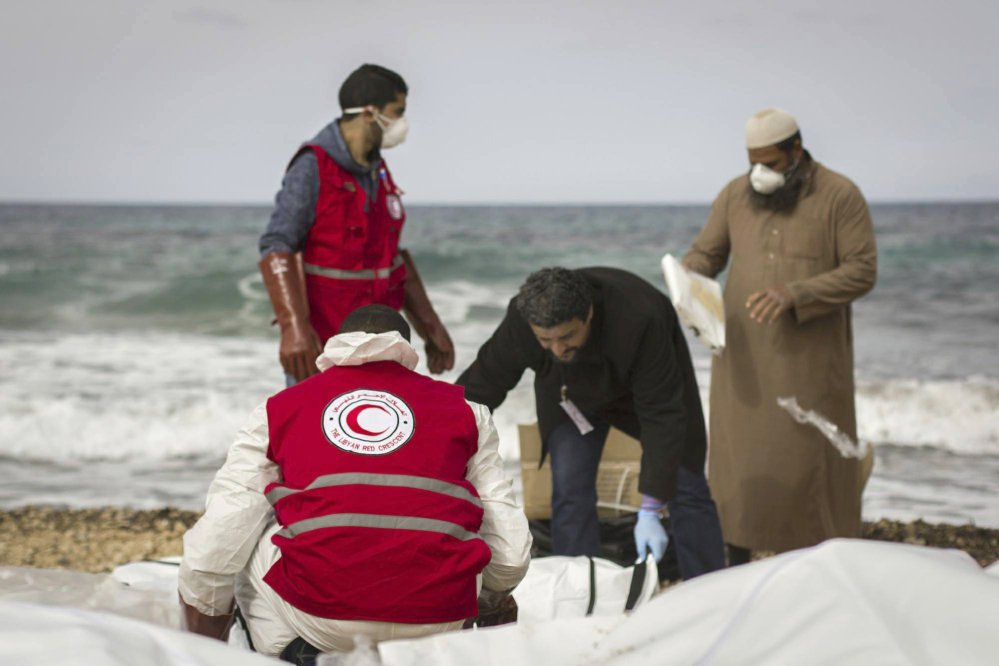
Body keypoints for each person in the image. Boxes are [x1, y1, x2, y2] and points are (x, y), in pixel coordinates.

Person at [178, 305, 531, 660]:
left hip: (323, 617)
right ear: (406, 351)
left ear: (335, 346)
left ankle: (289, 652)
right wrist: (486, 600)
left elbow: (216, 547)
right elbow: (512, 554)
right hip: (439, 617)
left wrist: (200, 631)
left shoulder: (279, 408)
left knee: (250, 531)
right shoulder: (468, 411)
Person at [682, 107, 877, 563]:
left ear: (796, 150)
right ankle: (735, 558)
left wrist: (796, 293)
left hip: (808, 360)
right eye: (753, 162)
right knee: (739, 465)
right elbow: (707, 253)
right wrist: (688, 272)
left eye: (770, 163)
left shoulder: (839, 195)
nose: (760, 173)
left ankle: (820, 565)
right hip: (742, 361)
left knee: (808, 464)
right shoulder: (735, 194)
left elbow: (862, 271)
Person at [457, 267, 725, 580]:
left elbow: (662, 414)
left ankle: (710, 583)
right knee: (570, 492)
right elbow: (485, 381)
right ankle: (579, 588)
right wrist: (438, 429)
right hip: (569, 397)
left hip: (647, 393)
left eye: (567, 336)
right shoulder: (523, 320)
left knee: (685, 482)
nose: (558, 348)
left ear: (589, 314)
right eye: (546, 340)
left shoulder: (640, 318)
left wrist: (651, 506)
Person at [258, 64, 454, 384]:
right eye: (398, 111)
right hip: (326, 346)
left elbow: (393, 257)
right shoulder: (313, 165)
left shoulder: (378, 170)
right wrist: (294, 329)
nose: (402, 123)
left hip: (383, 344)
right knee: (316, 432)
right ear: (368, 112)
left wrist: (431, 327)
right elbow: (277, 245)